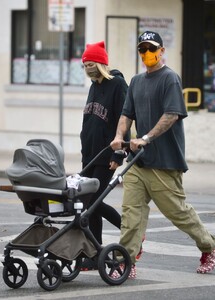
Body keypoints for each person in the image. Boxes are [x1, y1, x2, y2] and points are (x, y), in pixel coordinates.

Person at [110, 30, 215, 279]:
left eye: (151, 48)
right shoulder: (137, 81)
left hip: (164, 161)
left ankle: (210, 246)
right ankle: (126, 261)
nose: (147, 53)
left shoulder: (170, 78)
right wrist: (120, 136)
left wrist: (146, 138)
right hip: (138, 162)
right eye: (143, 49)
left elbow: (171, 114)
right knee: (131, 213)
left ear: (162, 51)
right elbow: (127, 114)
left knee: (177, 212)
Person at [79, 41, 129, 270]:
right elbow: (88, 120)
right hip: (89, 155)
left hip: (107, 154)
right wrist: (83, 150)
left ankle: (130, 231)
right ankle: (94, 252)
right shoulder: (93, 86)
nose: (87, 68)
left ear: (100, 64)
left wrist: (118, 155)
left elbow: (125, 118)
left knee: (93, 203)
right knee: (87, 206)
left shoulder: (118, 84)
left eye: (90, 64)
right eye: (85, 65)